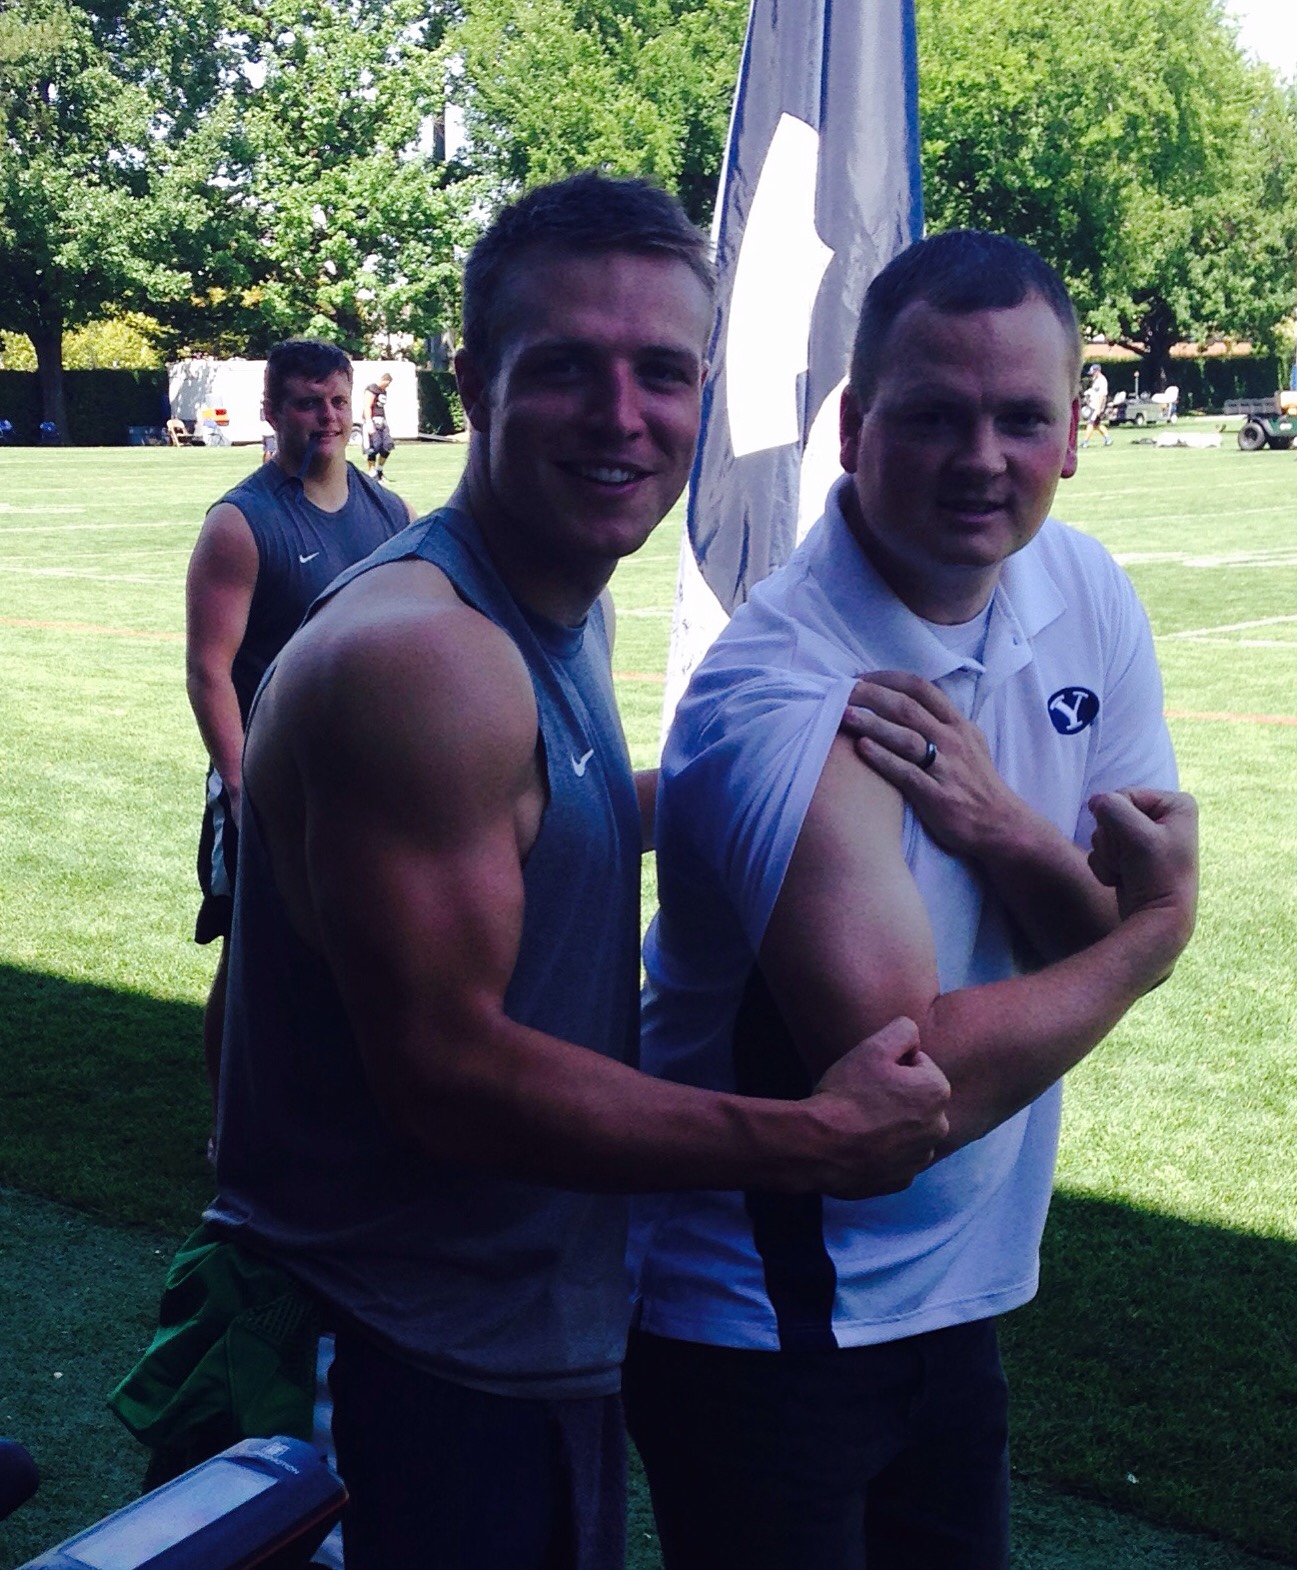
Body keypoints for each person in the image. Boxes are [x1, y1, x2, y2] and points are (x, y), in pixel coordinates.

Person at [205, 173, 950, 1570]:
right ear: (475, 383)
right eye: (564, 369)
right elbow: (450, 1074)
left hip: (497, 1341)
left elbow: (556, 816)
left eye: (661, 372)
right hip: (392, 1365)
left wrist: (790, 743)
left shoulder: (551, 613)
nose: (621, 415)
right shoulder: (429, 657)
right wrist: (809, 1137)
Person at [624, 229, 1199, 1570]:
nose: (980, 457)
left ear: (1074, 435)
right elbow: (906, 1093)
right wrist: (1155, 939)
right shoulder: (786, 685)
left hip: (959, 1287)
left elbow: (1080, 916)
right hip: (764, 1314)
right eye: (933, 415)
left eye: (1021, 418)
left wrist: (1001, 830)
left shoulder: (1083, 590)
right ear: (853, 429)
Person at [184, 339, 414, 1130]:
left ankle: (352, 1115)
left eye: (337, 401)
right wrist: (241, 785)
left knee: (367, 943)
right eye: (308, 403)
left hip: (363, 784)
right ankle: (229, 1126)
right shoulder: (240, 524)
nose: (327, 418)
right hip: (270, 782)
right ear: (272, 412)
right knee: (251, 953)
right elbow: (209, 671)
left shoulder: (391, 514)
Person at [361, 371, 395, 481]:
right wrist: (369, 422)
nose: (387, 386)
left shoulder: (383, 391)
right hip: (372, 421)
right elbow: (367, 406)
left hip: (382, 422)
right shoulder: (372, 389)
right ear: (384, 380)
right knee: (373, 448)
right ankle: (372, 473)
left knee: (387, 446)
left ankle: (380, 471)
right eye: (387, 383)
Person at [1082, 360, 1111, 446]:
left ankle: (1085, 442)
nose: (1092, 374)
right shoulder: (1096, 380)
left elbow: (1102, 395)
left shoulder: (1102, 380)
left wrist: (1099, 408)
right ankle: (1108, 439)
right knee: (1096, 424)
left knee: (1090, 422)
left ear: (1097, 371)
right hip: (1093, 404)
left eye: (1093, 372)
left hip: (1097, 406)